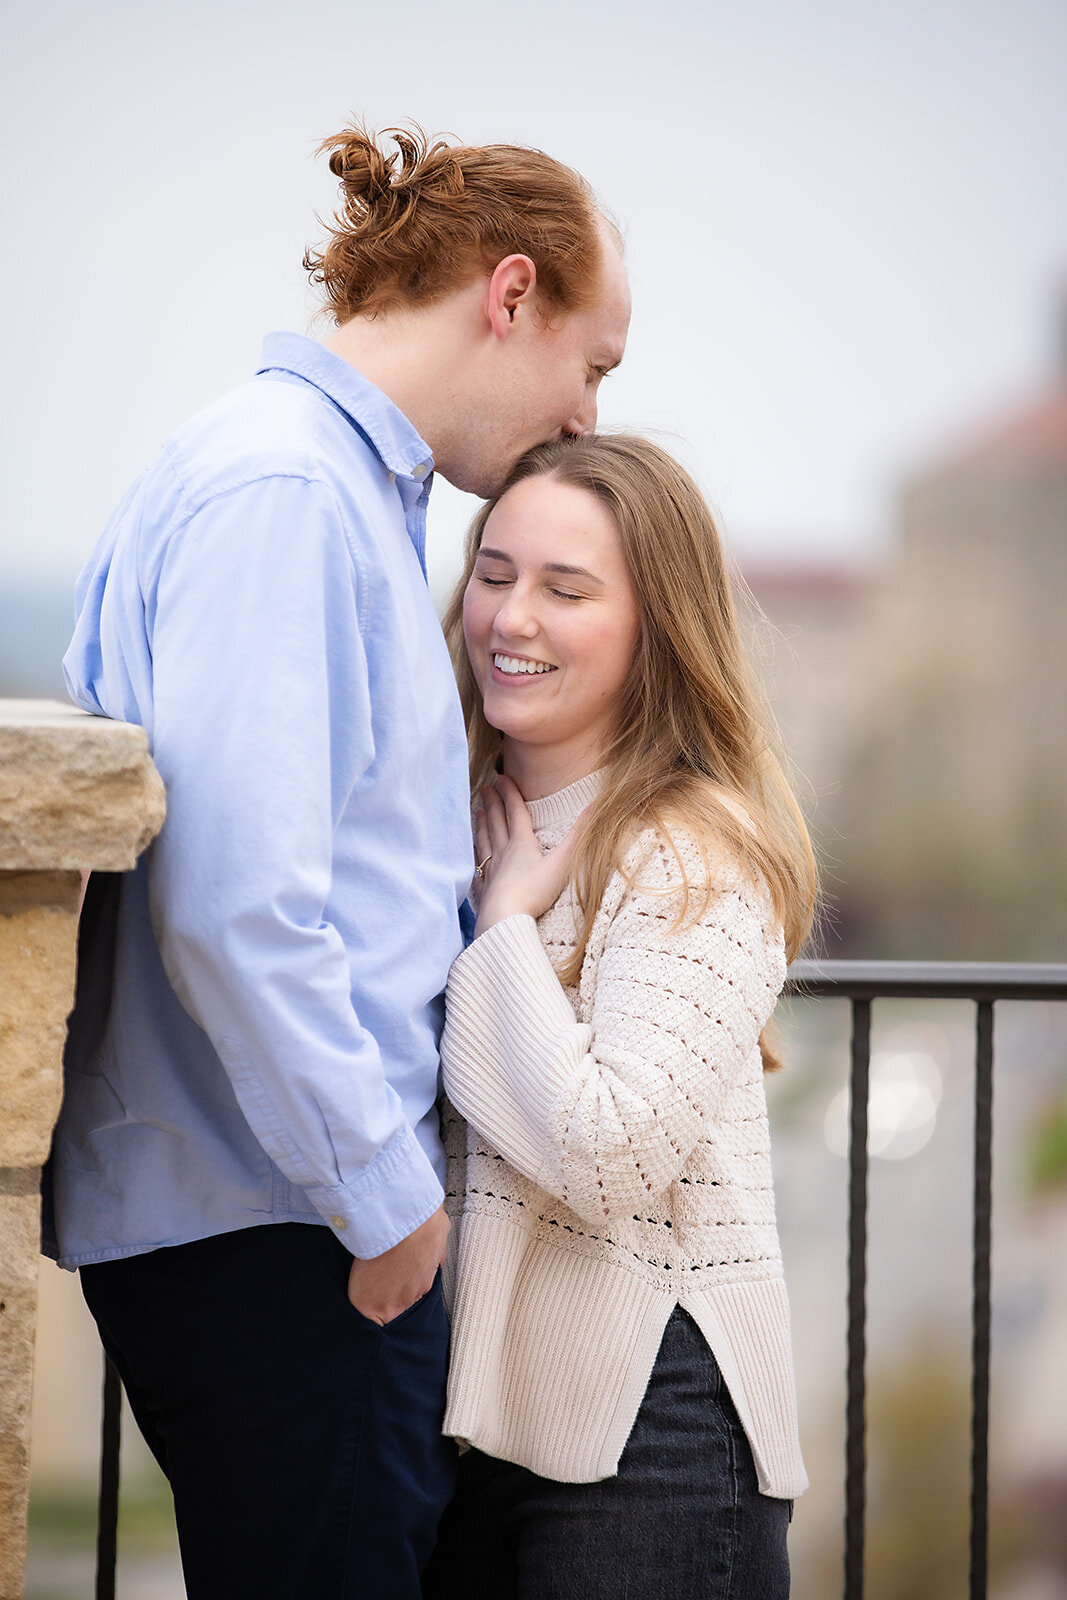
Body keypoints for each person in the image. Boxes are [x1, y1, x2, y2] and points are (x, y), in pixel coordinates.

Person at [43, 124, 629, 1599]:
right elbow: (240, 906)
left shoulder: (326, 484)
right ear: (508, 294)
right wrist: (389, 1207)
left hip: (290, 1214)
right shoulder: (287, 492)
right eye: (592, 360)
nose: (583, 409)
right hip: (289, 1225)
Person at [421, 434, 817, 1599]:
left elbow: (611, 1149)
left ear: (656, 625)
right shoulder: (458, 818)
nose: (511, 618)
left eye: (566, 589)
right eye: (493, 573)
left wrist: (502, 934)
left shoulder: (691, 853)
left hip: (651, 1438)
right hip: (479, 1427)